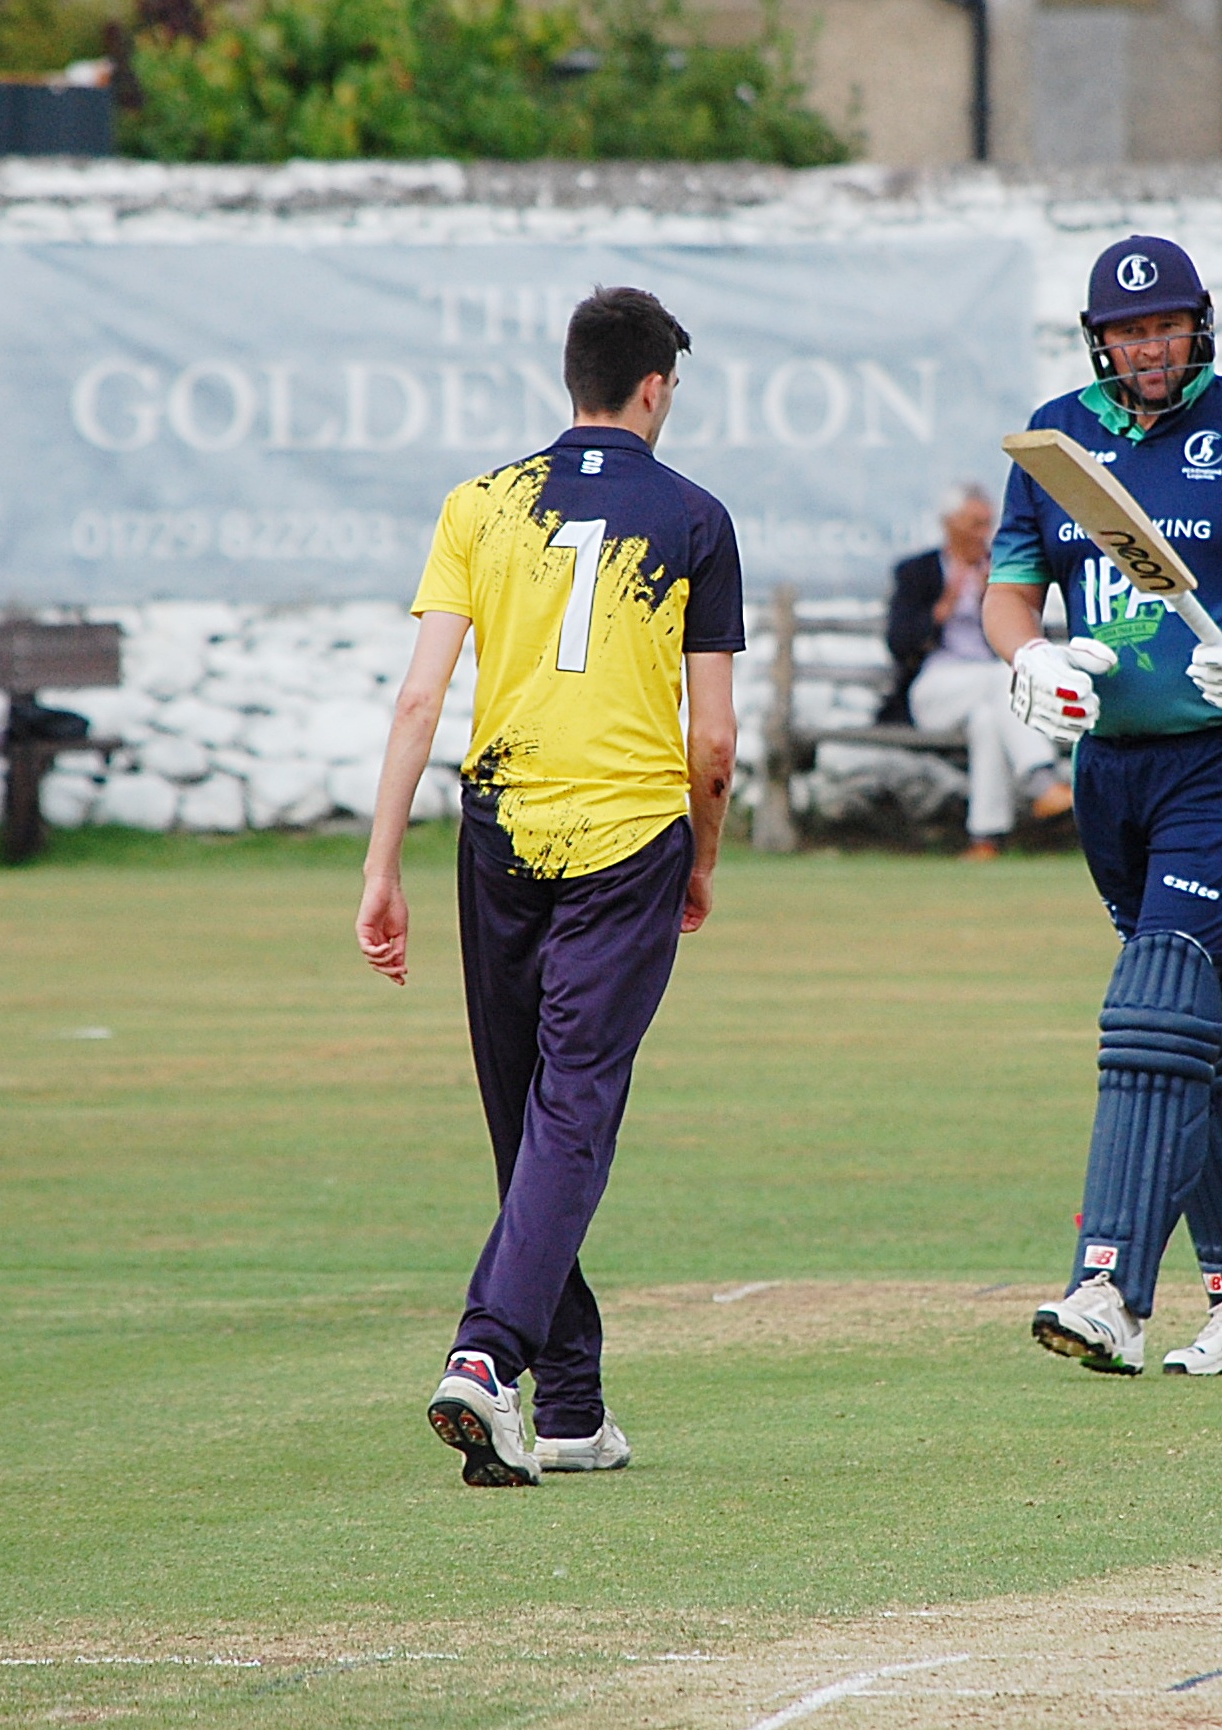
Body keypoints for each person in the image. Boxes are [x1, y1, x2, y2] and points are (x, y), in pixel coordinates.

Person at [357, 287, 743, 1487]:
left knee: (522, 1117)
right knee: (570, 1110)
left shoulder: (482, 502)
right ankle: (487, 1357)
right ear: (654, 387)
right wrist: (703, 859)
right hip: (627, 837)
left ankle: (570, 1404)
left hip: (498, 832)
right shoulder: (692, 516)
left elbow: (420, 697)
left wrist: (380, 866)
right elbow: (715, 746)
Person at [987, 235, 1222, 1377]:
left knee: (1153, 989)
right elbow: (1012, 590)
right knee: (1197, 1024)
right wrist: (1028, 660)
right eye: (1126, 330)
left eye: (1164, 326)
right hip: (1112, 768)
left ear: (1195, 327)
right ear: (1098, 339)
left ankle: (1108, 1282)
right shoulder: (1059, 442)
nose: (1146, 347)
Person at [880, 483, 1072, 856]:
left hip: (992, 690)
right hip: (935, 689)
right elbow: (899, 644)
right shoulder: (918, 572)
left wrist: (996, 603)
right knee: (1004, 678)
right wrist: (944, 607)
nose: (984, 533)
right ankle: (1041, 780)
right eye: (975, 524)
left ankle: (986, 837)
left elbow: (1031, 638)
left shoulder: (1001, 572)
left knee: (988, 719)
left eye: (988, 524)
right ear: (949, 525)